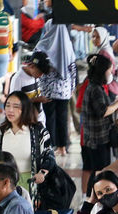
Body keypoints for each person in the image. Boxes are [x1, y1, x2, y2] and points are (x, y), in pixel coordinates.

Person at [0, 92, 57, 192]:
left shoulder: (38, 131)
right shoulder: (0, 134)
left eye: (16, 106)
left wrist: (42, 173)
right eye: (7, 106)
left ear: (25, 109)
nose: (10, 110)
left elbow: (49, 156)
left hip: (31, 184)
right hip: (7, 186)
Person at [81, 54, 118, 187]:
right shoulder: (95, 89)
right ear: (102, 72)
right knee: (100, 172)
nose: (111, 74)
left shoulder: (96, 87)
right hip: (97, 140)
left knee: (98, 171)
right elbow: (103, 111)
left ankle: (92, 198)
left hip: (97, 138)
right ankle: (93, 199)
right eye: (110, 71)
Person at [35, 20, 76, 155]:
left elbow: (36, 65)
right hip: (64, 90)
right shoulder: (68, 45)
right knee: (62, 119)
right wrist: (72, 87)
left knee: (49, 118)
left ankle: (50, 146)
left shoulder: (42, 45)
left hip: (47, 90)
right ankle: (62, 147)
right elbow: (72, 68)